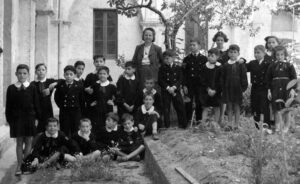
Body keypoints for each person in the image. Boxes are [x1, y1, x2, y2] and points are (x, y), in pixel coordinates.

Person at [5, 64, 41, 176]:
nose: (22, 75)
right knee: (19, 142)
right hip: (17, 119)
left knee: (29, 141)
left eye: (24, 73)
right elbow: (9, 106)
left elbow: (36, 104)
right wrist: (10, 121)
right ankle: (19, 165)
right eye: (19, 73)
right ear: (16, 74)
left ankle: (26, 164)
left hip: (30, 118)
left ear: (28, 74)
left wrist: (37, 119)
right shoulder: (11, 88)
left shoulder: (32, 87)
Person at [266, 45, 297, 133]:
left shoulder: (289, 65)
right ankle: (277, 127)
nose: (280, 57)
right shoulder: (272, 66)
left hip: (286, 88)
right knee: (276, 108)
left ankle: (286, 127)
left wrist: (292, 89)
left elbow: (294, 78)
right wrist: (269, 90)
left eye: (282, 55)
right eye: (277, 55)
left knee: (286, 108)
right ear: (275, 56)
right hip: (275, 89)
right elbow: (268, 79)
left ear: (285, 55)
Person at [221, 44, 248, 131]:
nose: (233, 54)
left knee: (237, 107)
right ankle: (229, 124)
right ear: (228, 53)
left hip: (237, 89)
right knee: (229, 107)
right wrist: (222, 89)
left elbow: (244, 77)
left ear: (238, 53)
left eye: (235, 52)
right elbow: (222, 78)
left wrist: (243, 89)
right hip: (228, 89)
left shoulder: (240, 65)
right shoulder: (225, 65)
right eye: (231, 52)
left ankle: (236, 125)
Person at [158, 50, 187, 128]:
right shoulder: (162, 68)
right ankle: (167, 125)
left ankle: (183, 124)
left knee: (180, 106)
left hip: (175, 90)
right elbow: (160, 80)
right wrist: (168, 88)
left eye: (168, 58)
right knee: (166, 108)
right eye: (165, 59)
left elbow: (180, 78)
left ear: (173, 58)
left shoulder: (177, 67)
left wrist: (174, 87)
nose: (166, 60)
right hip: (166, 90)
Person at [246, 45, 272, 132]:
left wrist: (269, 89)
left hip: (264, 88)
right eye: (255, 53)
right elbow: (243, 68)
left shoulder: (268, 63)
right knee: (255, 106)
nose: (256, 54)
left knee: (264, 107)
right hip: (255, 87)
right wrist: (242, 60)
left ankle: (266, 126)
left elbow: (270, 77)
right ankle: (257, 126)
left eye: (258, 52)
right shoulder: (252, 63)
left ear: (264, 53)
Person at [54, 65, 85, 137]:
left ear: (74, 75)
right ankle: (65, 147)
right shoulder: (61, 86)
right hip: (64, 111)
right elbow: (57, 98)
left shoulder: (79, 86)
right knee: (64, 130)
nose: (68, 76)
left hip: (76, 111)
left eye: (71, 74)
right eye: (66, 74)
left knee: (75, 130)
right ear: (64, 75)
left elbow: (82, 100)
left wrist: (81, 112)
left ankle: (75, 146)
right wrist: (62, 106)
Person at [182, 38, 207, 123]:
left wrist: (205, 85)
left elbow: (205, 73)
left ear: (199, 46)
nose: (192, 47)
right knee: (188, 101)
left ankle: (199, 119)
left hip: (200, 84)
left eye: (194, 45)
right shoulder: (186, 59)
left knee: (199, 101)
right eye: (191, 45)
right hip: (189, 84)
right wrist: (184, 85)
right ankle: (188, 119)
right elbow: (184, 73)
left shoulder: (204, 59)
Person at [84, 55, 112, 125]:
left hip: (105, 105)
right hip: (93, 105)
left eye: (101, 61)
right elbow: (85, 91)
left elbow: (111, 90)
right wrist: (90, 102)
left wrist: (111, 100)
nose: (99, 63)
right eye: (96, 61)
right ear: (94, 63)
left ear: (104, 62)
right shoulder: (90, 76)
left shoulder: (108, 76)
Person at [31, 63, 57, 133]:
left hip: (47, 109)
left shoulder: (50, 81)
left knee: (48, 130)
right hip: (36, 110)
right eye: (39, 70)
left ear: (46, 71)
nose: (41, 71)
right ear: (35, 72)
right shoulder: (32, 84)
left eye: (43, 70)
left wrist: (52, 85)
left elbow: (61, 81)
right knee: (38, 131)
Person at [200, 48, 222, 124]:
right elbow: (202, 80)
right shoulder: (204, 67)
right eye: (208, 55)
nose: (210, 57)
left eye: (212, 56)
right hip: (206, 91)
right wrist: (208, 89)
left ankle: (215, 124)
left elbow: (221, 80)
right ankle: (203, 124)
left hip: (217, 91)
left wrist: (215, 90)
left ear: (217, 57)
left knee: (216, 107)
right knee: (205, 107)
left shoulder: (220, 67)